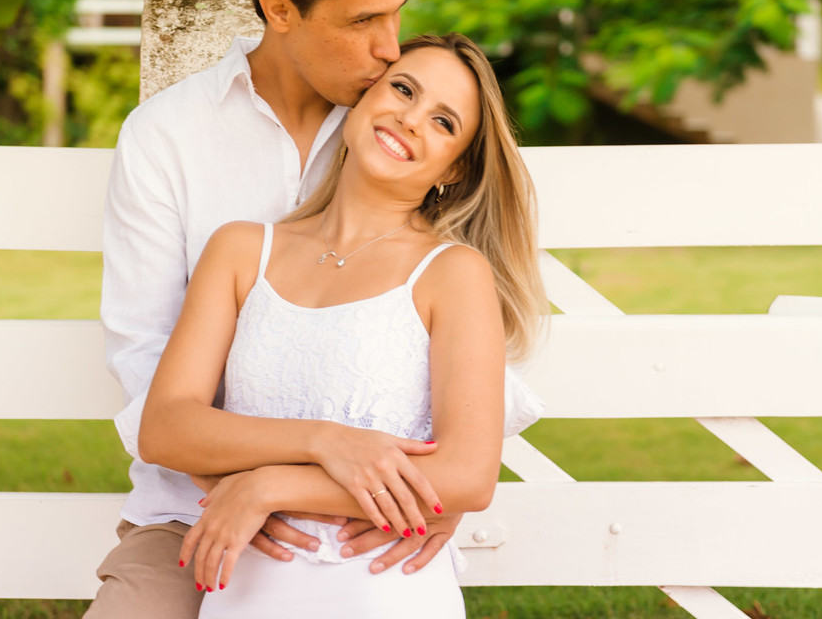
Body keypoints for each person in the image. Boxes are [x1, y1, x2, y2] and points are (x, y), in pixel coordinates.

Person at [88, 0, 543, 618]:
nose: (389, 47)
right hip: (188, 511)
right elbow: (148, 373)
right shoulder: (168, 138)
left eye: (397, 14)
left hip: (372, 521)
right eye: (363, 20)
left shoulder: (392, 122)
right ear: (280, 10)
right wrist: (294, 460)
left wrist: (435, 484)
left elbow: (473, 382)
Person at [139, 33, 548, 617]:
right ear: (361, 99)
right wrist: (325, 442)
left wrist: (270, 485)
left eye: (442, 122)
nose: (409, 119)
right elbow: (166, 428)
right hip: (244, 588)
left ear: (453, 169)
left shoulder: (453, 273)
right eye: (402, 89)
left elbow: (465, 476)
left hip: (384, 587)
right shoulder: (240, 250)